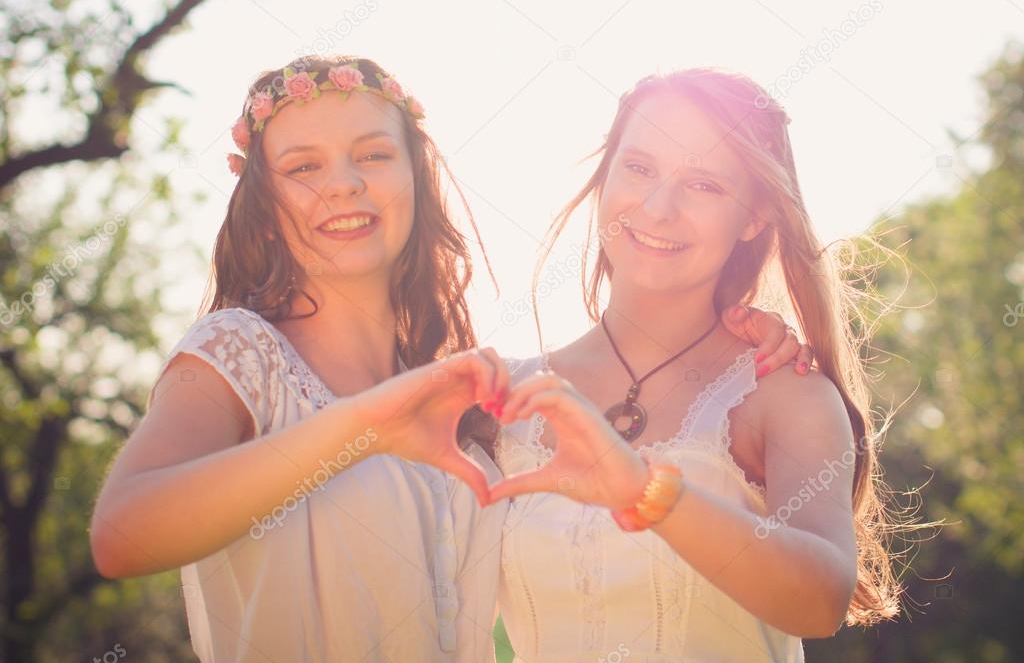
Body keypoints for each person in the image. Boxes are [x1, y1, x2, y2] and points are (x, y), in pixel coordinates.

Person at [89, 55, 804, 662]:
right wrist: (362, 426)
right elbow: (122, 538)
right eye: (303, 166)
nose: (343, 183)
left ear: (415, 178)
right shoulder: (237, 352)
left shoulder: (457, 397)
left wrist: (731, 337)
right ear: (263, 201)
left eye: (373, 154)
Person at [490, 68, 900, 662]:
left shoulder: (782, 392)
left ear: (755, 215)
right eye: (638, 168)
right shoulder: (505, 397)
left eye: (703, 184)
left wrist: (649, 493)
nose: (658, 208)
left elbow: (820, 603)